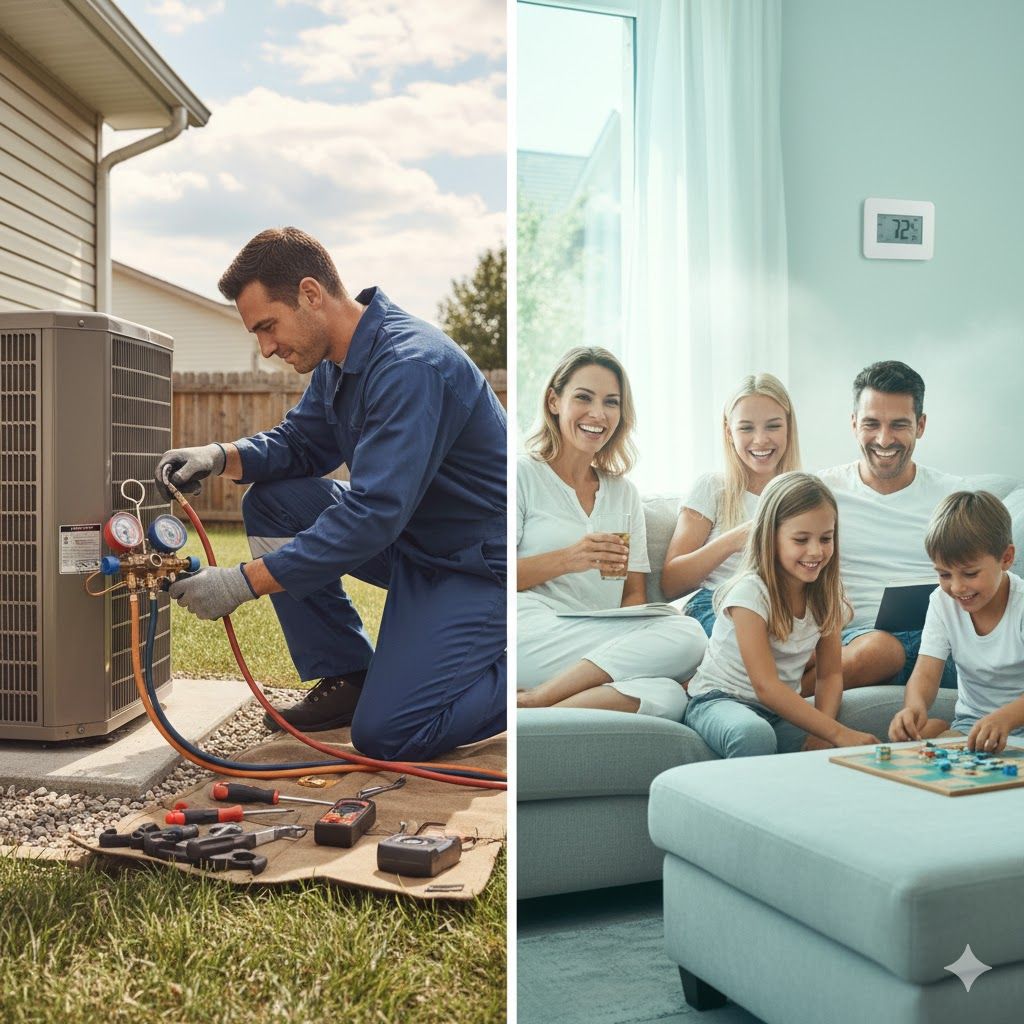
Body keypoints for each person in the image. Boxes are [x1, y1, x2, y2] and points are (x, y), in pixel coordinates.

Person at [154, 227, 506, 762]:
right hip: (414, 543)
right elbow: (300, 444)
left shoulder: (411, 365)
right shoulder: (340, 364)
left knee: (390, 733)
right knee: (273, 503)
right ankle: (349, 675)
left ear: (311, 294)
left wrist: (241, 583)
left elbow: (372, 516)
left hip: (475, 566)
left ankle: (521, 665)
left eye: (267, 326)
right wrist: (220, 455)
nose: (266, 348)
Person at [516, 347, 707, 720]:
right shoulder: (523, 475)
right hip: (533, 632)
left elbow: (633, 595)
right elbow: (495, 577)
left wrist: (643, 639)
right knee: (688, 635)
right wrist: (568, 559)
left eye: (611, 402)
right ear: (554, 401)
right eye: (583, 398)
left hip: (597, 639)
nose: (598, 414)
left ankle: (535, 706)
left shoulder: (623, 493)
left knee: (669, 694)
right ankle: (540, 697)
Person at [683, 472, 877, 758]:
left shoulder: (826, 596)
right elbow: (766, 686)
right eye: (801, 539)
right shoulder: (750, 593)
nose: (816, 551)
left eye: (826, 538)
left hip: (775, 711)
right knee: (754, 734)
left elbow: (830, 675)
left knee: (842, 741)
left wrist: (823, 732)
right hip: (718, 700)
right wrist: (837, 732)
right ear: (770, 538)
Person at [816, 361, 962, 691]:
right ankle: (767, 692)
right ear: (854, 424)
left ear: (920, 425)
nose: (884, 439)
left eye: (899, 425)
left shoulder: (954, 495)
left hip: (944, 643)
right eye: (871, 424)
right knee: (881, 651)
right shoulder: (821, 492)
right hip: (859, 640)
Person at [662, 372, 800, 636]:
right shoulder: (713, 487)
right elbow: (671, 583)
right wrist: (736, 539)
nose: (760, 439)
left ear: (788, 427)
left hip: (780, 607)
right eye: (746, 428)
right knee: (753, 640)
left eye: (773, 426)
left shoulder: (801, 495)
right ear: (729, 432)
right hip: (718, 602)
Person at [890, 491, 1024, 753]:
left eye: (970, 573)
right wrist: (914, 707)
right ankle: (938, 729)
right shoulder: (941, 602)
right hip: (971, 728)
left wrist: (1004, 719)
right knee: (924, 755)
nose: (957, 587)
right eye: (944, 574)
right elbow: (925, 673)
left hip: (1015, 725)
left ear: (1006, 558)